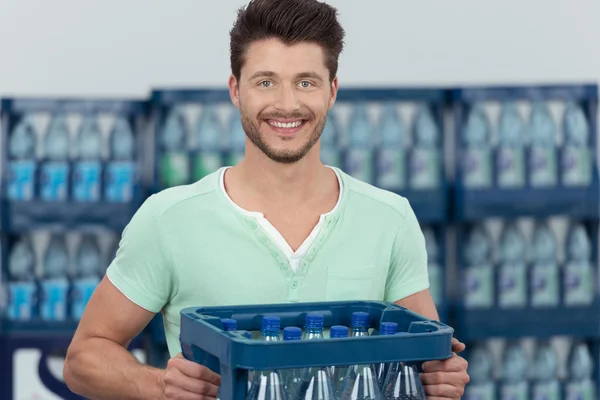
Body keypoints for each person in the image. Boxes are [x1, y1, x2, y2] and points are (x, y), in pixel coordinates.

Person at [64, 0, 469, 398]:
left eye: (306, 82)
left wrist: (440, 378)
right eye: (265, 81)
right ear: (235, 90)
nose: (287, 104)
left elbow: (424, 362)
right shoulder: (168, 219)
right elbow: (84, 357)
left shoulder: (389, 219)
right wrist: (159, 386)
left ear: (332, 91)